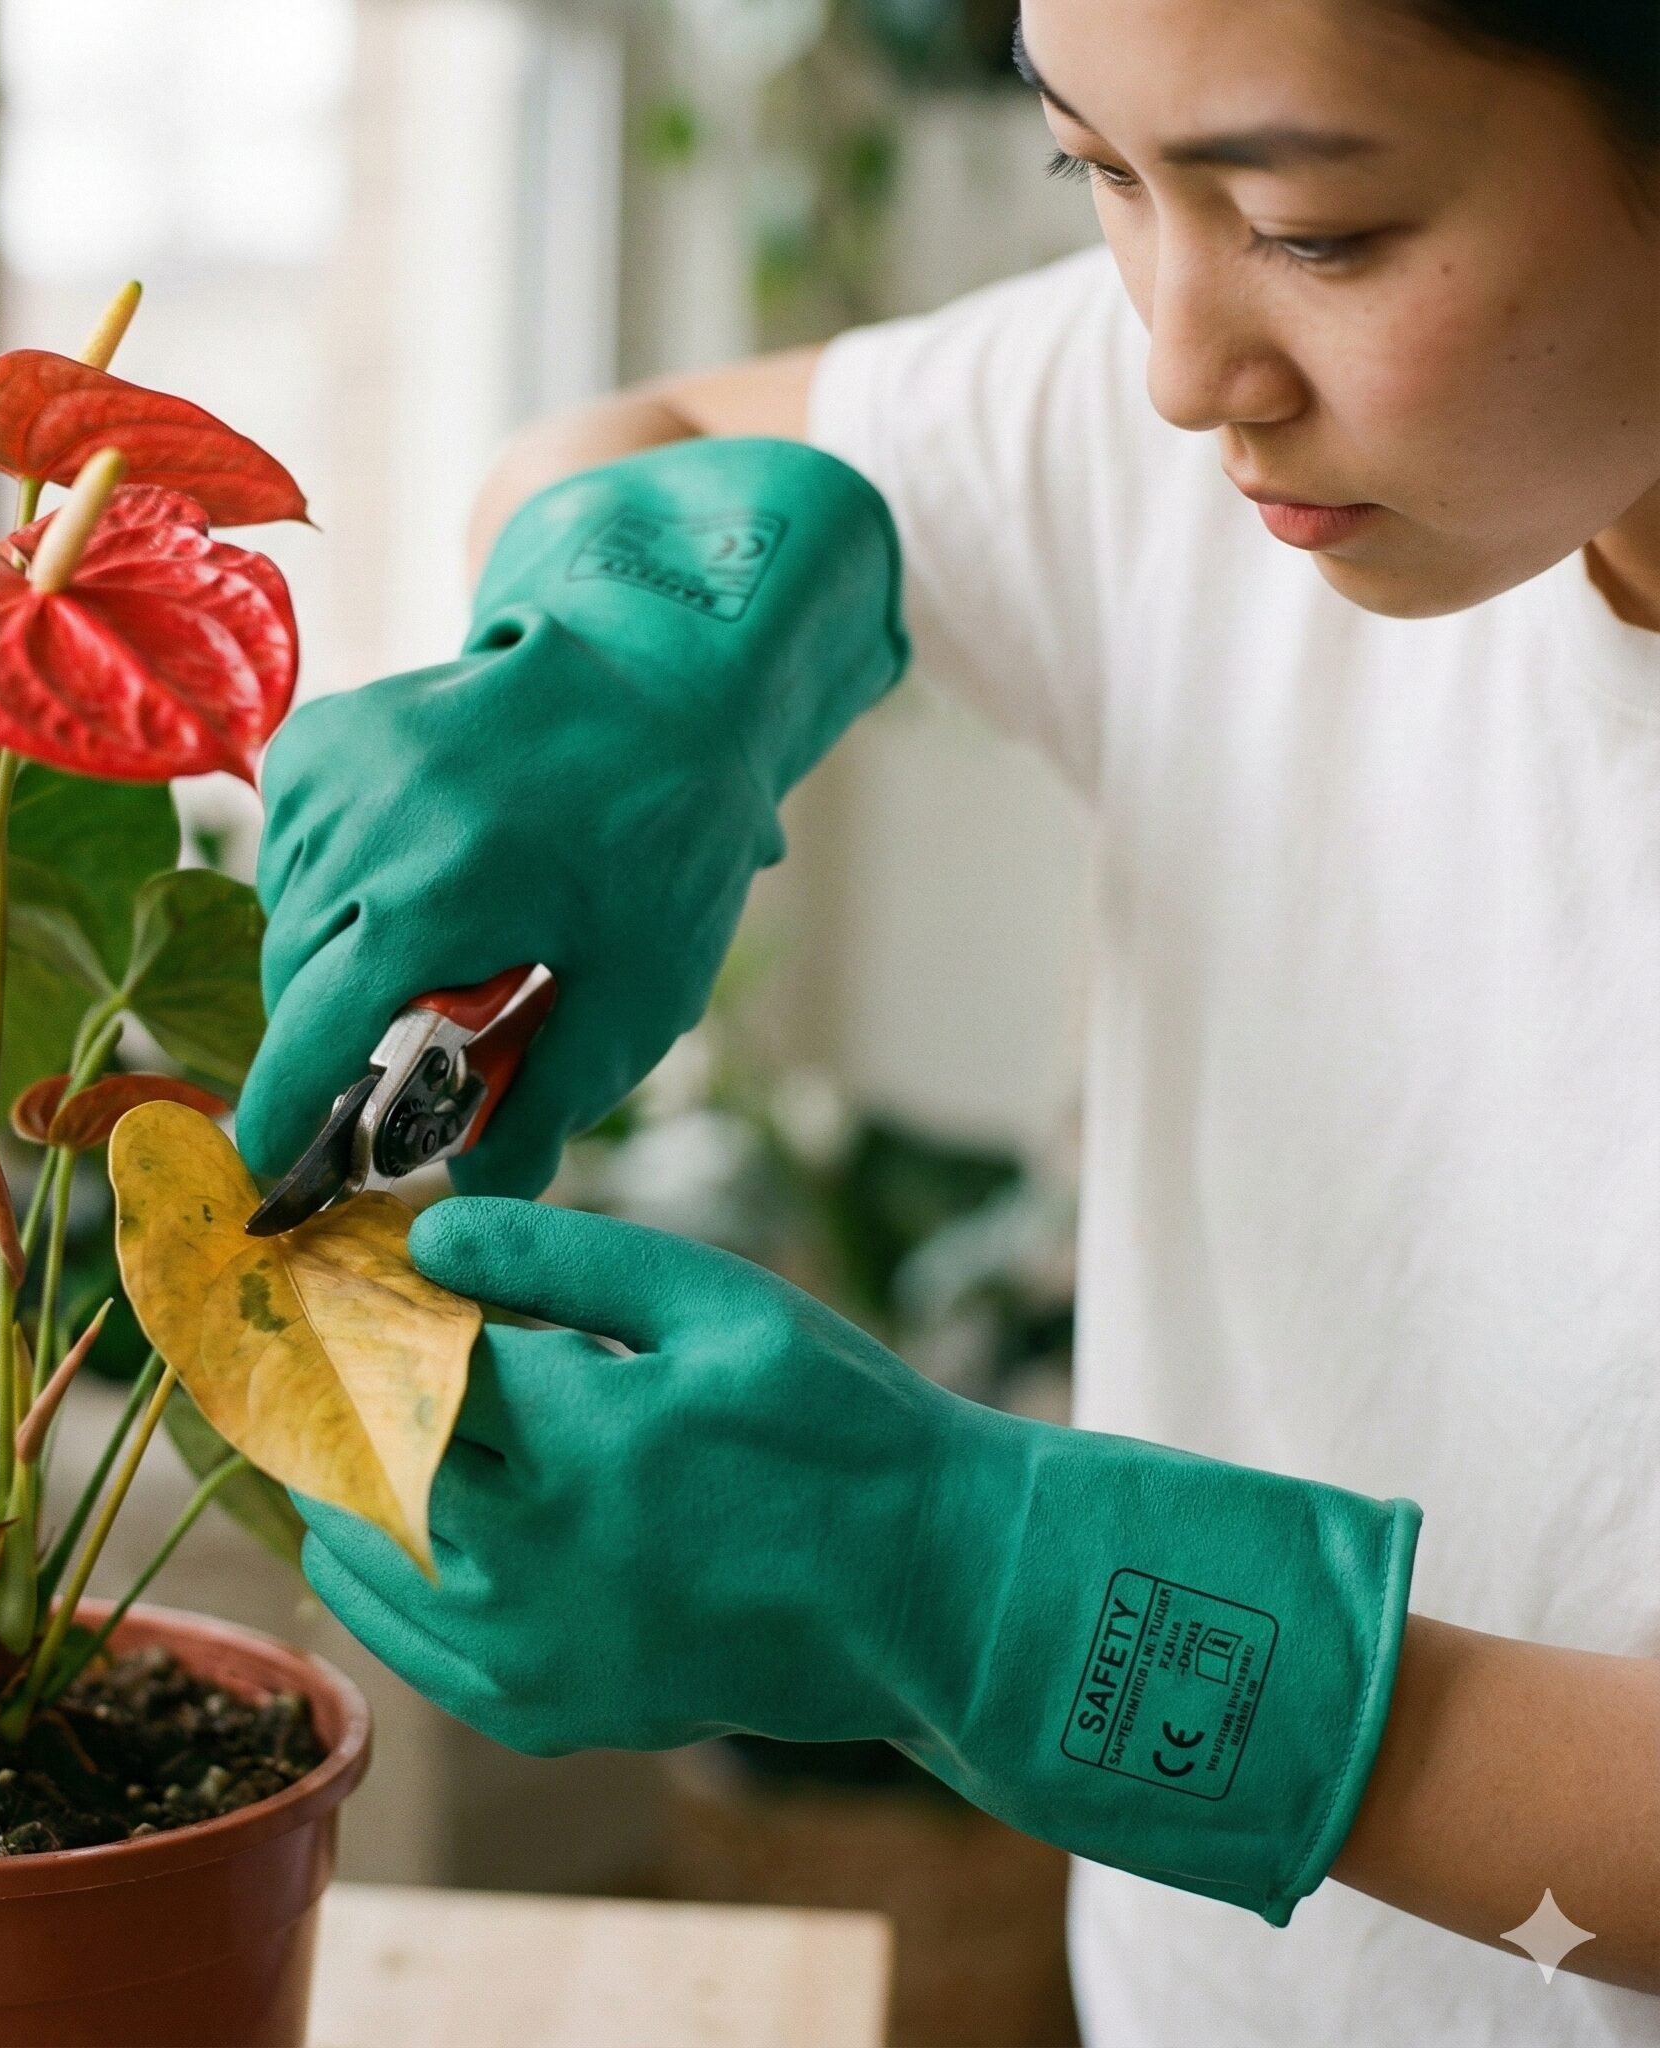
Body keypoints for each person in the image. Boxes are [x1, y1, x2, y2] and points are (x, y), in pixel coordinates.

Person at [235, 0, 1660, 2038]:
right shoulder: (1215, 429)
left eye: (1312, 227)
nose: (1179, 371)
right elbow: (639, 451)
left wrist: (988, 1594)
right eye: (1094, 169)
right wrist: (628, 663)